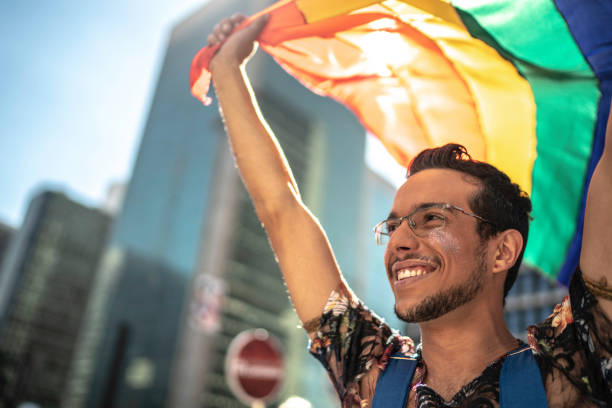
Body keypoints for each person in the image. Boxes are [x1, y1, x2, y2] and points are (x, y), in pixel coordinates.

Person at [206, 13, 612, 408]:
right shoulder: (369, 377)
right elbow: (281, 208)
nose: (399, 240)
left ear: (502, 251)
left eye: (432, 218)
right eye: (394, 224)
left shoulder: (572, 372)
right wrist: (226, 71)